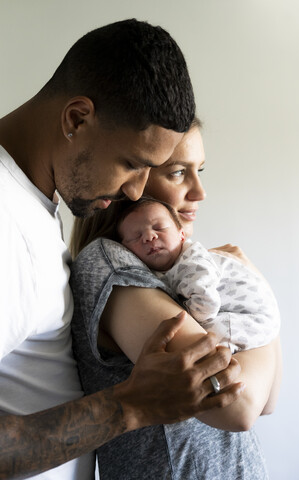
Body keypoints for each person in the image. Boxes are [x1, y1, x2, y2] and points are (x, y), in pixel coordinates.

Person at [0, 20, 244, 480]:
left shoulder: (29, 202)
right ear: (77, 118)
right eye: (131, 164)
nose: (136, 192)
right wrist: (130, 406)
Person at [70, 121, 282, 479]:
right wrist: (261, 292)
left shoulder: (174, 270)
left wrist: (255, 296)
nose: (199, 192)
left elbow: (269, 400)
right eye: (178, 172)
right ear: (132, 176)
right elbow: (238, 406)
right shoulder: (110, 262)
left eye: (199, 171)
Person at [115, 196, 281, 354]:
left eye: (159, 228)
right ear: (125, 249)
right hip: (242, 316)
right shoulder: (157, 269)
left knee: (204, 338)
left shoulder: (192, 263)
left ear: (181, 234)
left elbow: (207, 303)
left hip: (254, 317)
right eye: (136, 236)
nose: (149, 237)